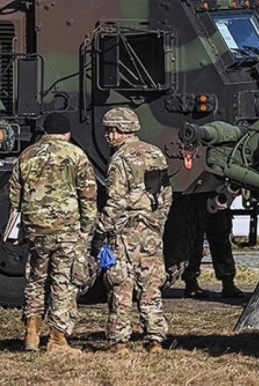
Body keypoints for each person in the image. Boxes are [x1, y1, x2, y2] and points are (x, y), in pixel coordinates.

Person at [11, 113, 97, 353]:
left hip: (35, 228)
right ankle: (57, 339)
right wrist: (87, 229)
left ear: (45, 132)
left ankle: (31, 332)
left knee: (36, 279)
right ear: (67, 133)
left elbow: (14, 197)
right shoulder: (76, 155)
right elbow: (88, 195)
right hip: (66, 228)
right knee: (63, 280)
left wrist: (20, 227)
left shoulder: (26, 155)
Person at [92, 107, 172, 354]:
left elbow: (115, 201)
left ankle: (120, 341)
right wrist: (157, 222)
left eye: (109, 131)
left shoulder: (120, 160)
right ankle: (155, 338)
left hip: (124, 233)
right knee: (151, 283)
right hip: (150, 231)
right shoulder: (156, 153)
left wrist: (101, 229)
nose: (107, 136)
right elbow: (166, 195)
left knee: (121, 285)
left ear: (119, 131)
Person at [182, 207, 245, 299]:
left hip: (218, 196)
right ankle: (191, 282)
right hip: (194, 196)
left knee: (221, 235)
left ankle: (228, 282)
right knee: (195, 236)